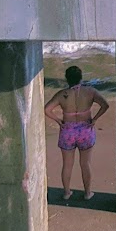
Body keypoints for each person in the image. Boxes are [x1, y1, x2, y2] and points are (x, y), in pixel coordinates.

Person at [44, 66, 108, 201]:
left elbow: (47, 109)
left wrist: (58, 120)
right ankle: (87, 193)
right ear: (81, 77)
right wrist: (95, 119)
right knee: (85, 164)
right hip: (85, 129)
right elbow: (105, 105)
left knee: (67, 164)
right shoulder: (90, 91)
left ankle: (67, 193)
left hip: (68, 130)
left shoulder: (62, 94)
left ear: (67, 79)